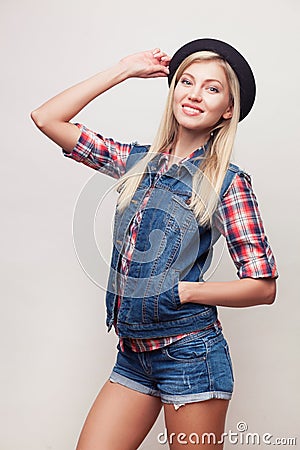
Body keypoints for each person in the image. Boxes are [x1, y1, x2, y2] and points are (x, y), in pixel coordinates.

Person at [31, 38, 278, 450]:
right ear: (173, 90)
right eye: (186, 81)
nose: (195, 94)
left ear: (227, 110)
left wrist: (184, 291)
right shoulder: (134, 163)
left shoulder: (227, 184)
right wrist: (124, 69)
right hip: (133, 354)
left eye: (212, 88)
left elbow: (263, 286)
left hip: (191, 357)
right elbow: (46, 118)